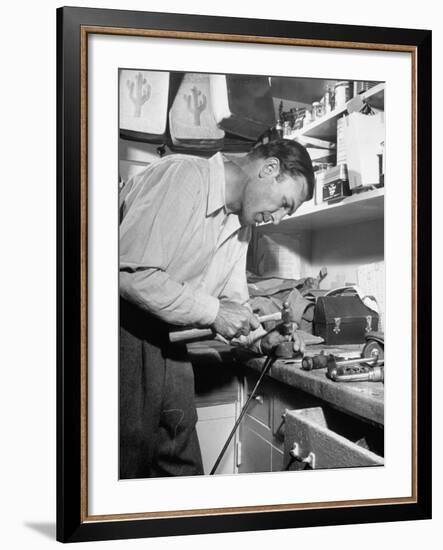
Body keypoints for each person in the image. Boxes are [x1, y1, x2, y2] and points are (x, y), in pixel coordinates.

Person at [119, 139, 314, 478]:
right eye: (285, 203)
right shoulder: (183, 176)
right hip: (122, 338)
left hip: (171, 348)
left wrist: (263, 338)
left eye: (288, 212)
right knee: (123, 467)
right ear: (269, 168)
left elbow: (233, 310)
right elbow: (132, 275)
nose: (279, 218)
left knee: (182, 470)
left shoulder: (242, 226)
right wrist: (215, 313)